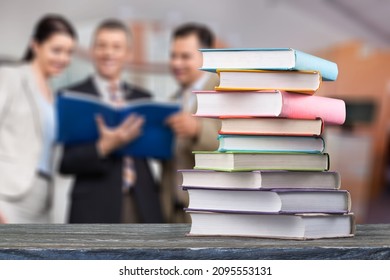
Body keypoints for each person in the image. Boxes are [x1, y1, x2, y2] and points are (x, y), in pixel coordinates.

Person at [59, 19, 163, 223]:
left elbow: (157, 153)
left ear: (128, 53)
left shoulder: (143, 98)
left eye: (116, 47)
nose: (108, 53)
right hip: (94, 206)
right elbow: (66, 162)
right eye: (102, 45)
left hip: (142, 204)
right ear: (92, 50)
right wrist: (103, 146)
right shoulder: (73, 96)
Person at [0, 14, 77, 223]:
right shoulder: (11, 76)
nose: (63, 58)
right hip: (7, 195)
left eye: (69, 52)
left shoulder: (55, 97)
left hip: (43, 200)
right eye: (57, 50)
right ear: (35, 45)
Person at [163, 23, 220, 222]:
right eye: (173, 56)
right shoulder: (172, 100)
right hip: (174, 212)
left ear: (206, 55)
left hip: (210, 210)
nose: (177, 63)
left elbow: (239, 145)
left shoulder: (224, 91)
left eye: (185, 56)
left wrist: (197, 129)